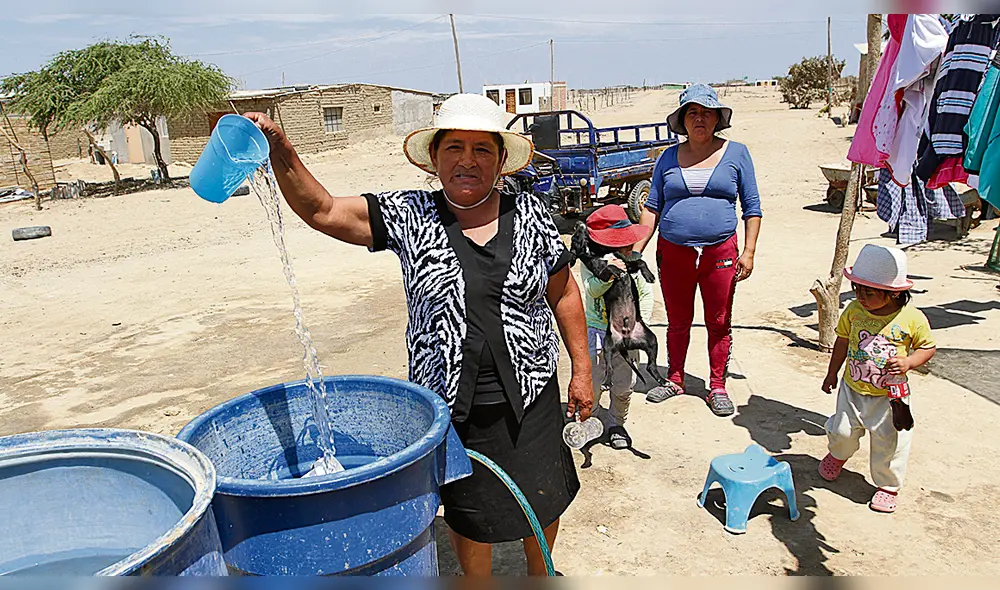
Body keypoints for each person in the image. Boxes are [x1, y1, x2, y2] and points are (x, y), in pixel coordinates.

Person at [243, 93, 594, 576]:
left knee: (543, 494)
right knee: (469, 510)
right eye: (454, 148)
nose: (467, 161)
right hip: (452, 407)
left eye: (481, 150)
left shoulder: (531, 214)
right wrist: (283, 152)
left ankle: (541, 572)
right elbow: (323, 210)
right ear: (434, 158)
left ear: (500, 161)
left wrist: (583, 370)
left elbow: (564, 293)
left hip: (532, 397)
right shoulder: (410, 215)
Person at [635, 84, 762, 417]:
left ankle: (717, 386)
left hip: (720, 251)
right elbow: (651, 207)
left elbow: (752, 207)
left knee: (718, 321)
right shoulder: (667, 158)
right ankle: (675, 379)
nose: (700, 118)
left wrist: (748, 252)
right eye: (692, 112)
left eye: (706, 112)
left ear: (718, 118)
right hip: (673, 252)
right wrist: (635, 251)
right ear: (682, 120)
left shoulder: (737, 153)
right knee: (678, 321)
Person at [820, 244, 936, 514]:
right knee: (841, 431)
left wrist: (909, 362)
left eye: (868, 292)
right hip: (853, 389)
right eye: (857, 289)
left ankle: (887, 485)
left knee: (890, 441)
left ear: (894, 293)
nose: (860, 296)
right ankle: (838, 455)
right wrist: (832, 372)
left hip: (890, 396)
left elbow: (927, 347)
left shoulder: (911, 318)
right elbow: (843, 341)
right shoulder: (854, 311)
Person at [580, 205, 654, 450]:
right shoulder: (593, 264)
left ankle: (616, 424)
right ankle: (588, 419)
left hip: (627, 332)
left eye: (626, 243)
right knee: (594, 380)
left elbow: (644, 292)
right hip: (598, 330)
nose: (624, 248)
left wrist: (640, 324)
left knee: (623, 383)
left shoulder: (634, 261)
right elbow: (592, 289)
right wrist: (609, 274)